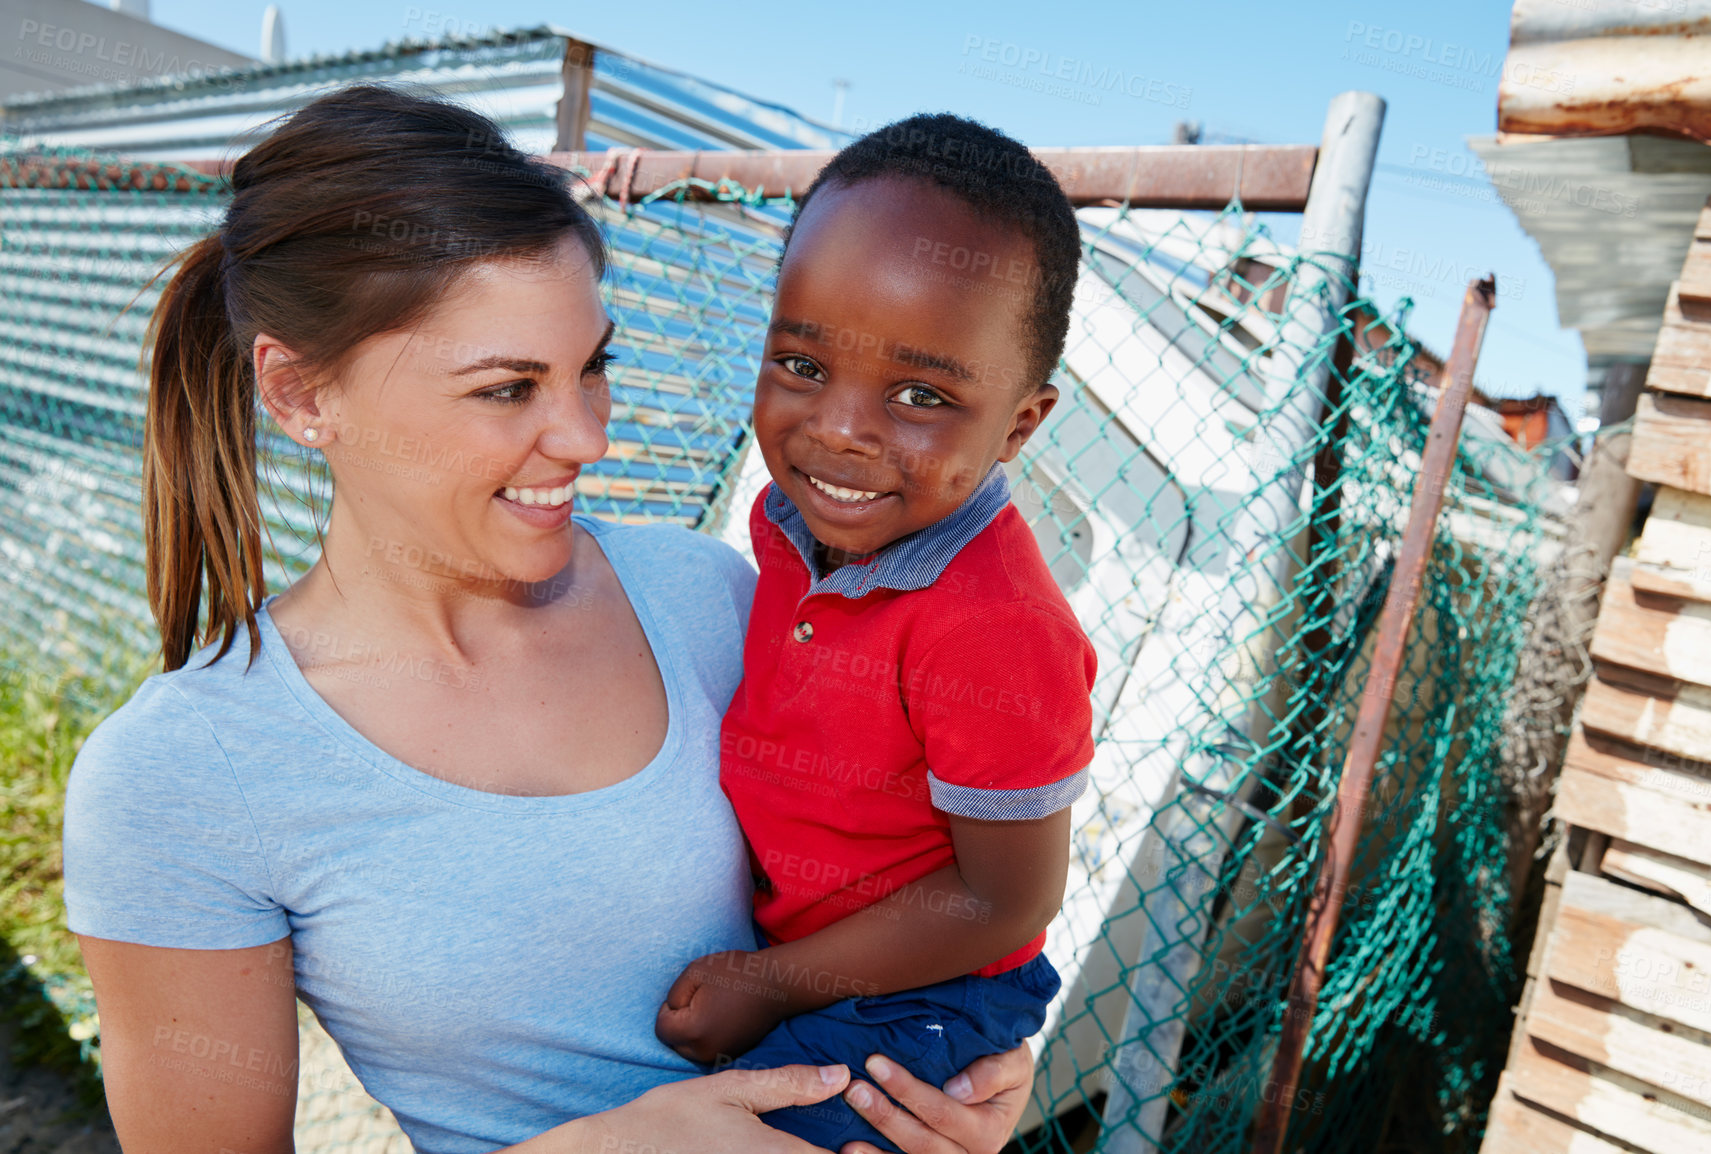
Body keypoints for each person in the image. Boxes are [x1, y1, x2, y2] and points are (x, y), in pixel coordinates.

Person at [60, 85, 1034, 1154]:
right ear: (298, 395)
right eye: (506, 389)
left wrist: (952, 1070)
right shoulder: (182, 773)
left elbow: (933, 885)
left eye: (592, 368)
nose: (583, 438)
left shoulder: (714, 599)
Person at [651, 116, 1096, 1153]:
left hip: (922, 995)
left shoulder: (994, 624)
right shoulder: (786, 523)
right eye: (801, 364)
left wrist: (769, 982)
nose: (840, 427)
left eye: (918, 394)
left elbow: (1005, 895)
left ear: (1020, 424)